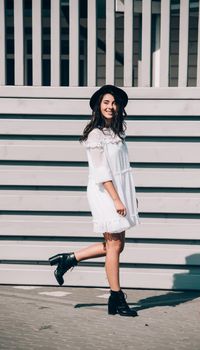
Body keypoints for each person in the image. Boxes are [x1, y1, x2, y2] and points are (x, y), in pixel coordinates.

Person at [49, 85, 139, 317]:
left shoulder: (116, 132)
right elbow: (101, 172)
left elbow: (122, 169)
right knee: (115, 246)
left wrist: (130, 196)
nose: (111, 107)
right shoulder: (95, 134)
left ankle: (70, 259)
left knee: (116, 246)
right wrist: (118, 199)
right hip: (105, 193)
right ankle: (117, 298)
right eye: (106, 102)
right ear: (99, 106)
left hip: (118, 192)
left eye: (114, 103)